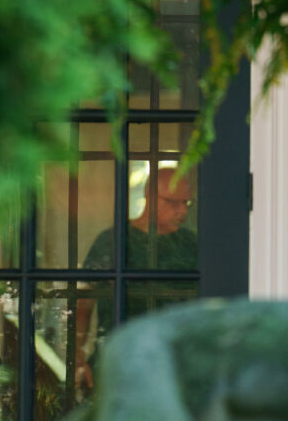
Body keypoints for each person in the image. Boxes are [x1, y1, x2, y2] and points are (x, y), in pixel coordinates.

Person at [75, 167, 198, 391]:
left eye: (186, 203)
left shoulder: (191, 245)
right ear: (149, 196)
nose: (182, 211)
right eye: (172, 202)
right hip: (120, 361)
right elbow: (83, 300)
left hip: (177, 365)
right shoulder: (114, 241)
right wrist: (78, 356)